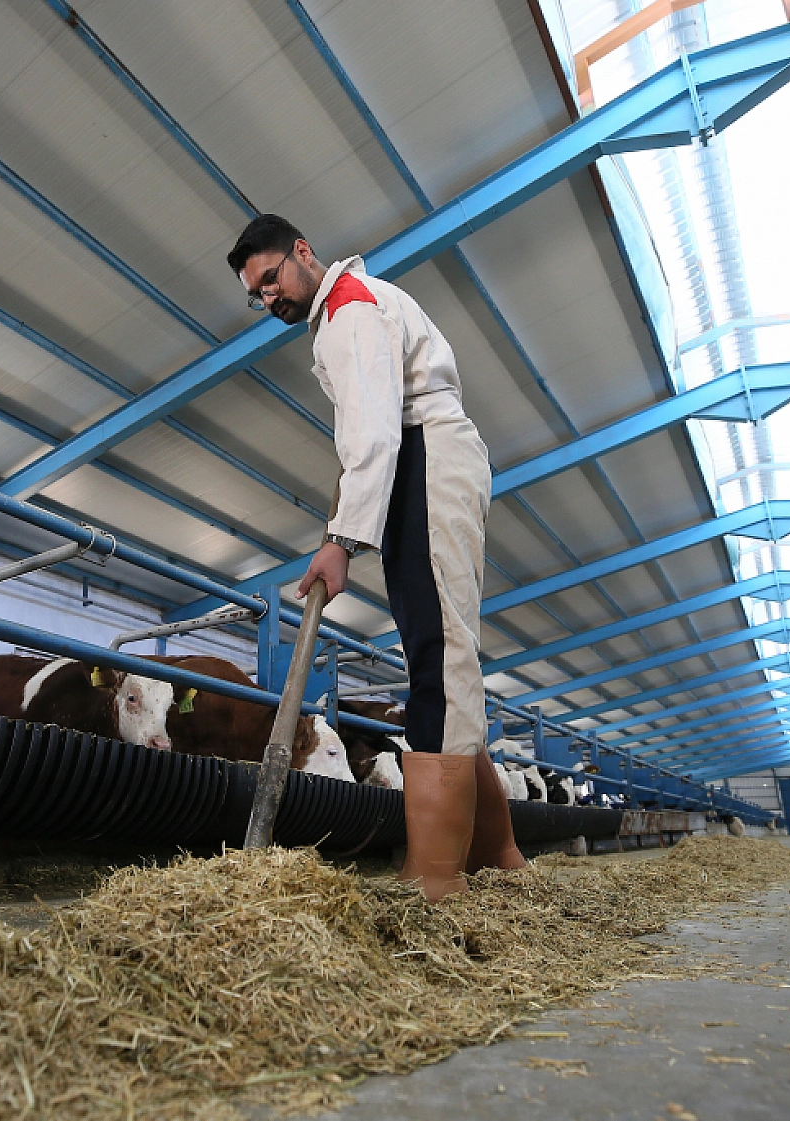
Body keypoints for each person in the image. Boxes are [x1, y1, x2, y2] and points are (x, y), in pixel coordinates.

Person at [227, 214, 526, 901]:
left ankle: (437, 877)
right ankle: (500, 856)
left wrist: (340, 543)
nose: (269, 297)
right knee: (438, 649)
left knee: (439, 652)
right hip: (420, 464)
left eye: (271, 277)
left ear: (304, 251)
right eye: (257, 293)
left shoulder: (350, 308)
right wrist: (343, 525)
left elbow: (374, 434)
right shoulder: (346, 312)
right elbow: (364, 442)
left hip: (425, 456)